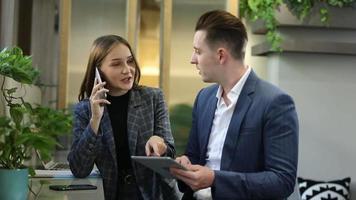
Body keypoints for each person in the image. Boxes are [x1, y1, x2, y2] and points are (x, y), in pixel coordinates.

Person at [170, 10, 299, 200]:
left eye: (198, 51)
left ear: (221, 55)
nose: (192, 59)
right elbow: (194, 157)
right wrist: (185, 165)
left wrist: (215, 179)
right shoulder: (204, 98)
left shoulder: (275, 103)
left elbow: (282, 181)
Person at [68, 35, 179, 200]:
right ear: (98, 71)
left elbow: (170, 153)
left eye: (130, 61)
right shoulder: (85, 109)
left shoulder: (153, 98)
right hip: (110, 194)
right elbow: (79, 168)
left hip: (152, 194)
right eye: (116, 64)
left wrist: (160, 145)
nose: (127, 69)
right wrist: (95, 120)